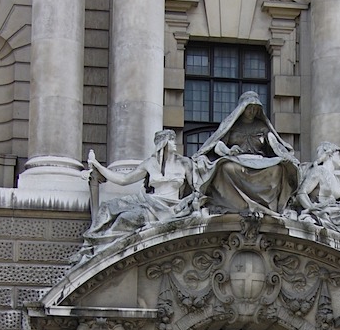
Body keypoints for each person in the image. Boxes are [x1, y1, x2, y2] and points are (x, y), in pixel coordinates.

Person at [78, 129, 203, 257]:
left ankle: (104, 250)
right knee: (111, 209)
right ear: (163, 143)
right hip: (150, 204)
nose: (174, 143)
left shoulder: (184, 163)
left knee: (124, 219)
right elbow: (124, 180)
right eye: (171, 140)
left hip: (171, 208)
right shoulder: (150, 163)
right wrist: (98, 166)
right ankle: (96, 247)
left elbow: (197, 189)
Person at [193, 91, 299, 215]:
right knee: (225, 167)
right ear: (242, 108)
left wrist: (284, 155)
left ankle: (266, 206)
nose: (252, 112)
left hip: (260, 161)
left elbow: (274, 144)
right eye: (249, 108)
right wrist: (229, 151)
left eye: (255, 109)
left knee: (277, 169)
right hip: (238, 160)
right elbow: (218, 145)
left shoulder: (262, 127)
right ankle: (237, 204)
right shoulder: (232, 126)